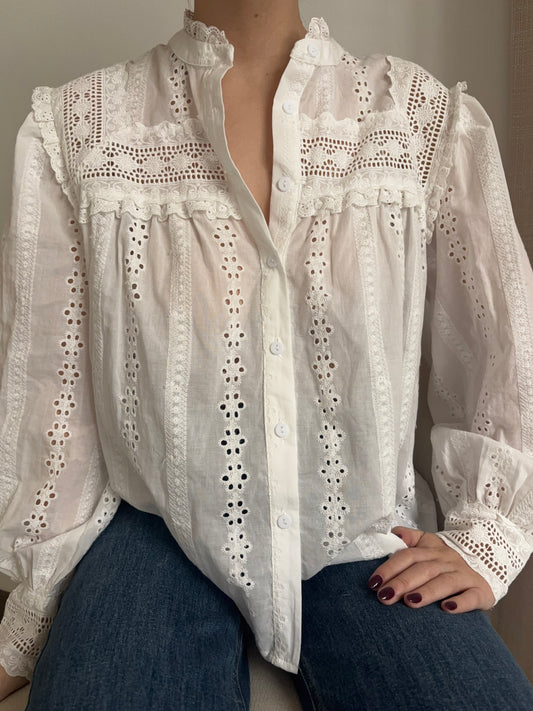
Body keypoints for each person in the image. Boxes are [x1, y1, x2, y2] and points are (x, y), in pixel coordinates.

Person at [1, 0, 532, 708]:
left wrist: (488, 535)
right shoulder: (81, 128)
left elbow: (500, 358)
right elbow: (53, 403)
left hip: (361, 532)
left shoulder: (417, 120)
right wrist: (31, 616)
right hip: (154, 533)